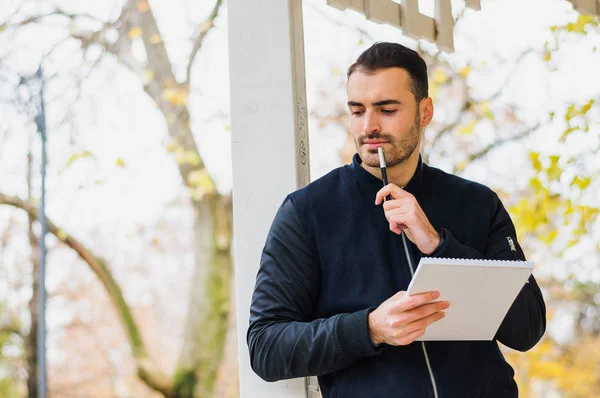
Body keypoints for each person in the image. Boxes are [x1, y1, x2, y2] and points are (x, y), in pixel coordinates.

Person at [247, 42, 546, 398]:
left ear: (425, 112)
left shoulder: (477, 203)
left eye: (386, 109)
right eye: (357, 111)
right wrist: (369, 328)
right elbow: (265, 346)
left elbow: (527, 328)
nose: (369, 126)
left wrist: (439, 245)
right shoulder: (307, 212)